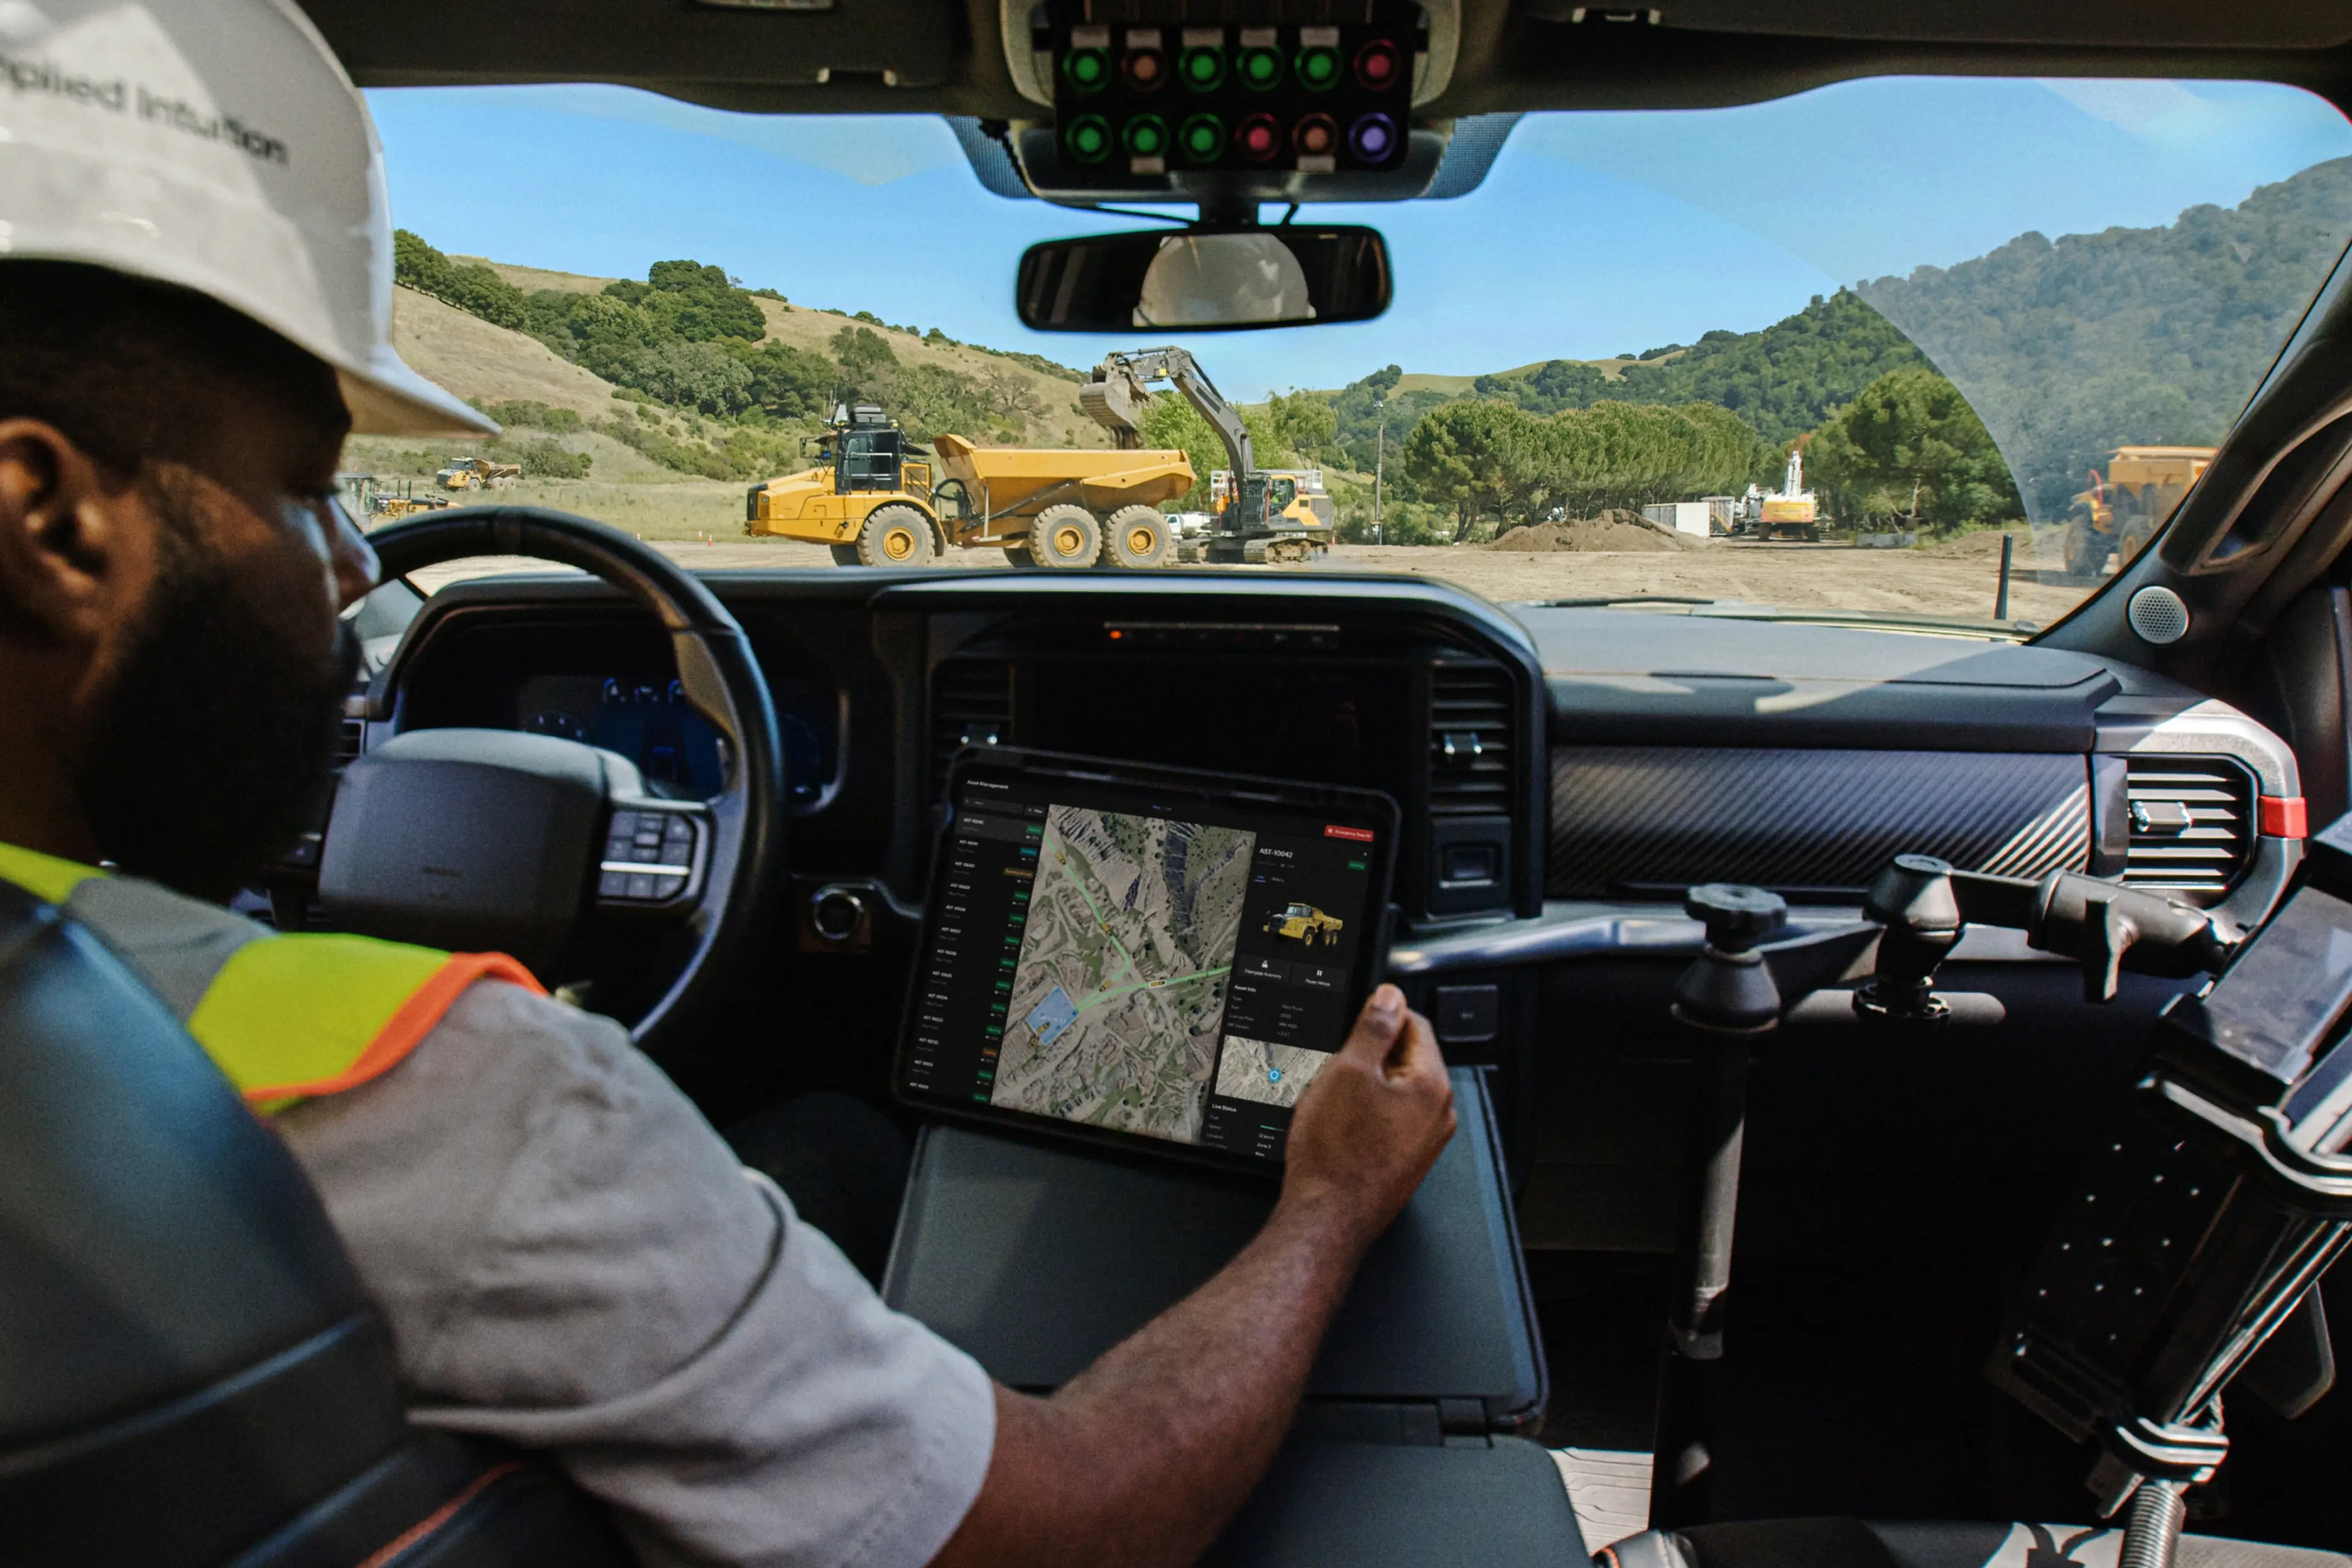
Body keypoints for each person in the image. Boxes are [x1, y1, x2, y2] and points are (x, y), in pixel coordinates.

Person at [0, 3, 1460, 1566]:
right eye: (304, 491)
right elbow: (1088, 1522)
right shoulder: (474, 1102)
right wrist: (1329, 1200)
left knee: (835, 1133)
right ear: (49, 521)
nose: (360, 567)